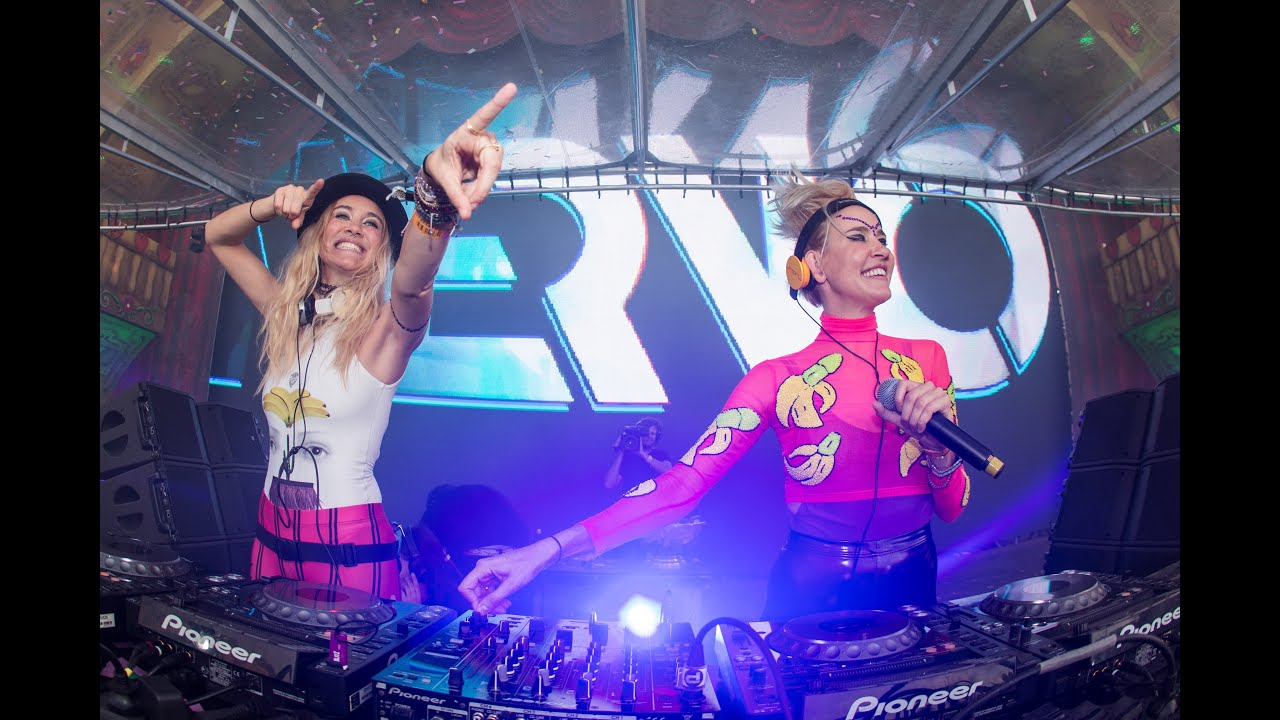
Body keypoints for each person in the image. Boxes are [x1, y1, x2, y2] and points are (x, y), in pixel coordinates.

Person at [457, 173, 971, 621]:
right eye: (859, 237)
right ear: (813, 264)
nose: (881, 249)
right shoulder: (778, 378)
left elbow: (951, 508)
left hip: (912, 576)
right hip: (815, 585)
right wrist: (545, 551)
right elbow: (681, 485)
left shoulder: (927, 360)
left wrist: (937, 451)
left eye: (880, 237)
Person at [203, 82, 518, 600]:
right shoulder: (286, 314)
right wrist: (269, 204)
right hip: (269, 531)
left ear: (382, 249)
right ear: (318, 232)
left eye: (372, 224)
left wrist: (433, 197)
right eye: (342, 215)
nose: (355, 227)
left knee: (344, 655)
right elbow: (219, 236)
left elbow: (413, 284)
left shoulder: (385, 330)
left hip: (346, 541)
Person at [602, 417, 673, 493]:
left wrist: (644, 455)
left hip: (654, 498)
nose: (649, 436)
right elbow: (609, 484)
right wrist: (621, 451)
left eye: (652, 433)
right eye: (645, 433)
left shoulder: (660, 454)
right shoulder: (627, 457)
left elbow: (668, 471)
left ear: (657, 437)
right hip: (632, 499)